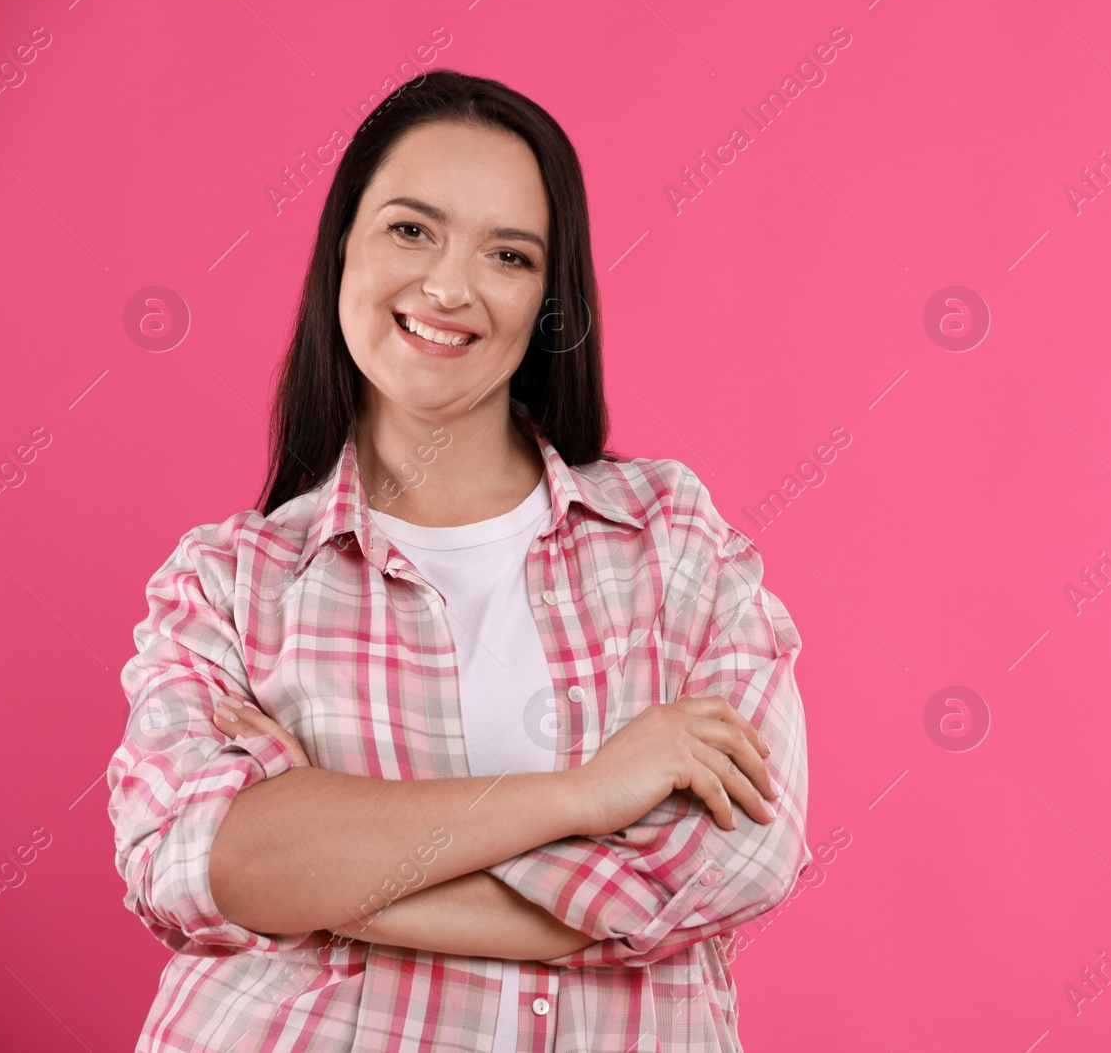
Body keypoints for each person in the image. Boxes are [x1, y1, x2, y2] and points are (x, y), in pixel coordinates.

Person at [106, 69, 811, 1053]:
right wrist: (583, 795)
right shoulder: (228, 582)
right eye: (410, 228)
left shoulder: (667, 534)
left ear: (546, 298)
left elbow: (741, 861)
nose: (448, 285)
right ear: (341, 241)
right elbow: (188, 862)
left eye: (509, 253)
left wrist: (325, 870)